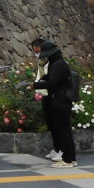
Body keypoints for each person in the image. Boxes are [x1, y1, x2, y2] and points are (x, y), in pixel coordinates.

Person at [31, 38, 77, 167]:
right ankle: (70, 158)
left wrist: (36, 85)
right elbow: (50, 78)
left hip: (60, 100)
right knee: (63, 130)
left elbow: (52, 83)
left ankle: (68, 159)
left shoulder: (58, 64)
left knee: (64, 130)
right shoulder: (57, 63)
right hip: (60, 100)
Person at [31, 37, 61, 162]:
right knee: (51, 123)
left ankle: (61, 150)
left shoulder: (54, 62)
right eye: (35, 51)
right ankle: (56, 147)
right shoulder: (42, 61)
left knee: (57, 124)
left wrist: (36, 85)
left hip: (53, 95)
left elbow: (51, 81)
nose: (37, 53)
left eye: (38, 51)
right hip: (44, 94)